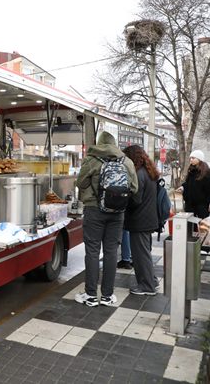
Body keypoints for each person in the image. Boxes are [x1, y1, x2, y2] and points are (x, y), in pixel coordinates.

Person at [75, 131, 138, 307]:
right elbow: (134, 188)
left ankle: (91, 296)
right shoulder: (126, 161)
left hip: (94, 211)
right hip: (117, 213)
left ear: (99, 143)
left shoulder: (91, 160)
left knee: (93, 251)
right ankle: (108, 295)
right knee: (111, 252)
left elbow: (80, 183)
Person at [123, 145, 159, 296]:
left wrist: (124, 199)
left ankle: (147, 286)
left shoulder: (138, 174)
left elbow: (136, 200)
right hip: (148, 219)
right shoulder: (148, 172)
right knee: (144, 252)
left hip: (139, 220)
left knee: (140, 255)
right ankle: (152, 280)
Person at [176, 150, 210, 219]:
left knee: (202, 227)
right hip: (190, 205)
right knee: (190, 226)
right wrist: (183, 187)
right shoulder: (191, 170)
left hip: (202, 206)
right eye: (190, 158)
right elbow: (188, 183)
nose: (191, 160)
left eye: (193, 158)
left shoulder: (207, 172)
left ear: (199, 159)